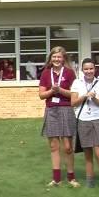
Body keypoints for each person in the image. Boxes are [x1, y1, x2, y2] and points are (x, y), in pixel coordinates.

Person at [39, 46, 80, 187]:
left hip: (66, 109)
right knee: (54, 146)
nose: (56, 59)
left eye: (59, 57)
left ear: (63, 59)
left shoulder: (69, 73)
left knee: (68, 146)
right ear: (50, 58)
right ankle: (56, 179)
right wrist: (52, 90)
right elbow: (41, 95)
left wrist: (60, 90)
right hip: (51, 110)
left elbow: (74, 94)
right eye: (54, 57)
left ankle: (71, 177)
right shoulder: (45, 73)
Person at [70, 58, 99, 189]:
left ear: (95, 69)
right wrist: (84, 96)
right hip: (83, 120)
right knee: (87, 153)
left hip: (98, 119)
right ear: (82, 70)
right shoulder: (77, 83)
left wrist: (94, 98)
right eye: (86, 69)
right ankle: (90, 182)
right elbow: (73, 103)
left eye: (91, 68)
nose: (89, 71)